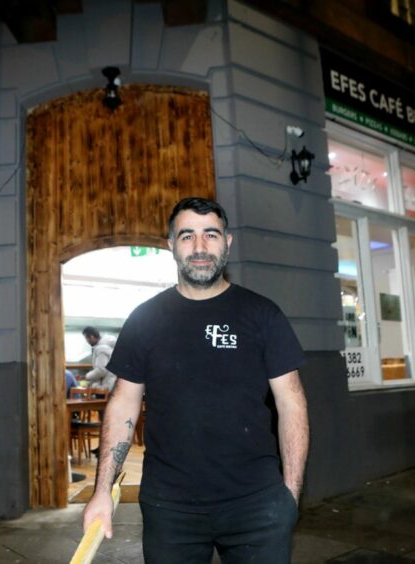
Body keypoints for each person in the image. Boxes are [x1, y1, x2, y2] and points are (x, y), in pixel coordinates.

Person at [82, 197, 309, 563]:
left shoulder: (262, 314)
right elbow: (123, 403)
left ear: (228, 242)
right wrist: (101, 491)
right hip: (170, 509)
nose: (200, 247)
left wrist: (290, 496)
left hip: (257, 504)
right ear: (171, 245)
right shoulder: (144, 320)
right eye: (187, 236)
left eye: (211, 235)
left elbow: (291, 402)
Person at [82, 327, 117, 391]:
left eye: (86, 338)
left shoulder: (101, 348)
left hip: (106, 386)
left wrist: (87, 376)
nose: (87, 341)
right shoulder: (108, 346)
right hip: (113, 384)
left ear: (91, 336)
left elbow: (101, 370)